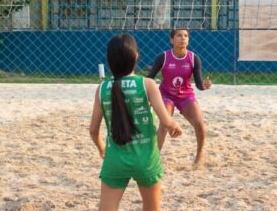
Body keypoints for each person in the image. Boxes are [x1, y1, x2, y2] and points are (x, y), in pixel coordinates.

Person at [89, 33, 183, 211]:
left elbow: (93, 130)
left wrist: (102, 148)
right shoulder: (147, 84)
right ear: (136, 57)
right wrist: (174, 126)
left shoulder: (101, 88)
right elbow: (166, 120)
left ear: (109, 61)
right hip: (145, 158)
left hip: (115, 158)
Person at [147, 28, 212, 166]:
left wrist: (204, 86)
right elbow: (149, 79)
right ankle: (155, 158)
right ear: (172, 40)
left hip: (185, 95)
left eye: (186, 36)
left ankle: (199, 154)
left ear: (188, 40)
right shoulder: (163, 57)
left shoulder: (194, 58)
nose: (183, 38)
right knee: (164, 125)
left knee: (200, 124)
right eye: (179, 35)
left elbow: (199, 84)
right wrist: (149, 97)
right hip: (166, 94)